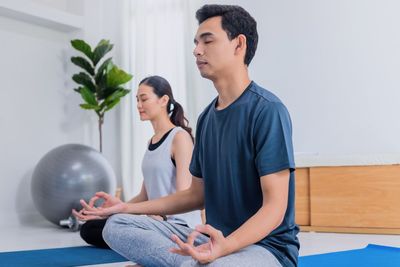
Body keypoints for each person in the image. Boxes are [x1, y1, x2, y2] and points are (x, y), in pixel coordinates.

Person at [80, 4, 299, 267]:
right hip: (211, 240)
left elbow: (275, 209)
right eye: (195, 42)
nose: (197, 50)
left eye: (207, 41)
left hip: (265, 247)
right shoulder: (207, 118)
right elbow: (195, 195)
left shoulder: (267, 111)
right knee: (116, 226)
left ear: (238, 45)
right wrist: (126, 207)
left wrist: (225, 247)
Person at [73, 75, 201, 248]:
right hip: (156, 223)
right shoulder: (151, 142)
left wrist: (158, 215)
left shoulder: (179, 138)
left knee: (114, 227)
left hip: (178, 226)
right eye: (137, 100)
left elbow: (185, 194)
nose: (139, 105)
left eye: (144, 99)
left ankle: (163, 247)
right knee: (91, 228)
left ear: (163, 100)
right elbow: (144, 196)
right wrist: (108, 211)